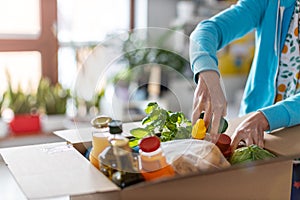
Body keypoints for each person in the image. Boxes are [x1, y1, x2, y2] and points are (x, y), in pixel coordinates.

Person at [190, 0, 300, 151]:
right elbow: (207, 30)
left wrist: (267, 117)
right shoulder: (272, 3)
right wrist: (207, 73)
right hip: (254, 140)